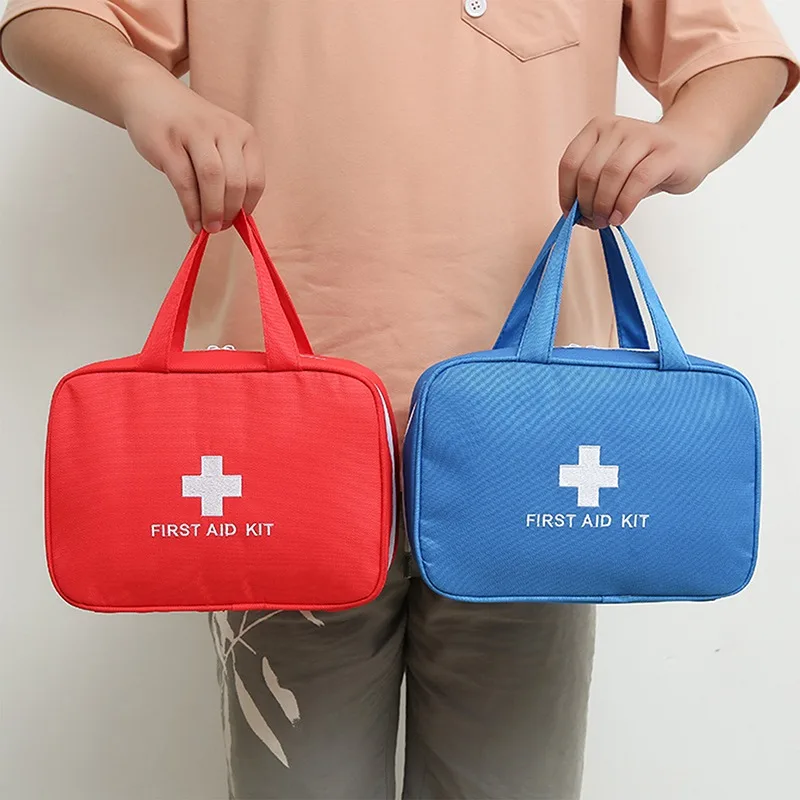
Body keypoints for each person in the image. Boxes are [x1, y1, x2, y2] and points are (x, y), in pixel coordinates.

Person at [1, 2, 796, 798]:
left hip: (530, 455)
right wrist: (145, 92)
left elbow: (737, 48)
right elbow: (44, 20)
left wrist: (688, 136)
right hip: (281, 453)